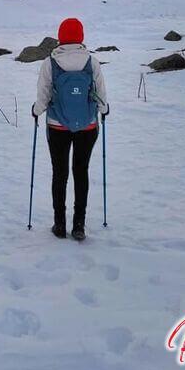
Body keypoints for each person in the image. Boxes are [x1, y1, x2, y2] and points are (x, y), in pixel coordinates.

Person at [33, 17, 109, 241]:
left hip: (57, 126)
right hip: (88, 125)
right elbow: (101, 92)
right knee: (81, 171)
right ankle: (79, 225)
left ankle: (59, 224)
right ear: (81, 36)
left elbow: (43, 96)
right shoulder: (91, 62)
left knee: (60, 173)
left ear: (61, 37)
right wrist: (104, 109)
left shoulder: (50, 62)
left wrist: (36, 111)